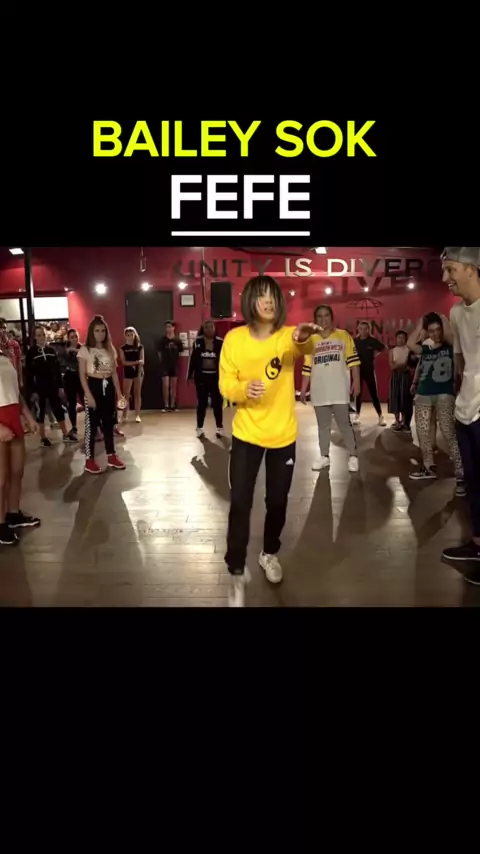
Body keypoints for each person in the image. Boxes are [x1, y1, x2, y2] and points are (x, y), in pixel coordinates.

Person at [219, 275, 321, 607]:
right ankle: (236, 571)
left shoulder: (286, 335)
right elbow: (225, 382)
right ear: (250, 300)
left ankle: (268, 553)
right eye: (262, 295)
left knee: (277, 502)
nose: (268, 301)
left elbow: (302, 346)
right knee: (240, 502)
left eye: (273, 296)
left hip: (282, 435)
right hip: (246, 433)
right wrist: (241, 390)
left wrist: (303, 337)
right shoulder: (234, 339)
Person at [440, 248, 480, 581]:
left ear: (471, 269)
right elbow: (463, 361)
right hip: (465, 409)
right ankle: (478, 543)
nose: (446, 278)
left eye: (451, 269)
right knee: (473, 480)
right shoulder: (455, 313)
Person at [407, 313, 465, 495]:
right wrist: (420, 325)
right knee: (423, 433)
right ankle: (428, 467)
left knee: (448, 432)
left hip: (444, 394)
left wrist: (443, 319)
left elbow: (452, 336)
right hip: (423, 394)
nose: (435, 334)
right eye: (431, 331)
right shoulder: (426, 348)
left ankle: (461, 473)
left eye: (438, 329)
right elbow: (410, 344)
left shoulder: (451, 347)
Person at [300, 306, 361, 473]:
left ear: (331, 317)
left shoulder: (343, 336)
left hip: (339, 389)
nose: (323, 319)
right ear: (315, 320)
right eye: (319, 316)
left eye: (326, 315)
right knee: (323, 425)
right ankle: (324, 456)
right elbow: (307, 366)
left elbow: (353, 361)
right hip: (319, 389)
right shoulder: (311, 340)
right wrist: (303, 388)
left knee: (344, 424)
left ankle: (353, 456)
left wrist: (356, 381)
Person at [0, 343, 40, 545]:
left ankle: (13, 514)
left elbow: (16, 393)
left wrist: (28, 416)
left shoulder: (5, 358)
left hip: (12, 417)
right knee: (1, 478)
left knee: (17, 472)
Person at [78, 315, 126, 474]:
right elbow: (82, 375)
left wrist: (119, 394)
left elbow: (114, 374)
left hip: (108, 387)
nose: (100, 334)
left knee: (108, 424)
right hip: (93, 386)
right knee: (91, 426)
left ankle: (111, 455)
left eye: (103, 331)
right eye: (97, 331)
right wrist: (88, 395)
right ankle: (89, 460)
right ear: (92, 332)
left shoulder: (110, 349)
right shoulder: (85, 350)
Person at [25, 326, 75, 447]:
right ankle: (43, 438)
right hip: (39, 387)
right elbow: (28, 373)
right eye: (39, 335)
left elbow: (57, 370)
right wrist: (33, 391)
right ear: (35, 337)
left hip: (53, 386)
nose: (42, 337)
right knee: (40, 412)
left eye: (43, 334)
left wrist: (60, 386)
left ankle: (65, 433)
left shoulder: (51, 350)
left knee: (58, 409)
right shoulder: (31, 353)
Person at [188, 320, 224, 438]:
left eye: (211, 327)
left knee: (217, 403)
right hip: (201, 377)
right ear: (203, 329)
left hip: (216, 378)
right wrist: (190, 375)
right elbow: (192, 360)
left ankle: (219, 427)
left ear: (215, 328)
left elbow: (226, 360)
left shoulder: (220, 342)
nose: (209, 329)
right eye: (206, 327)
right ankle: (199, 427)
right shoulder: (197, 342)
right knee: (201, 403)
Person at [353, 321, 386, 426]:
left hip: (369, 370)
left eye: (365, 329)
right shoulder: (355, 341)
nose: (363, 331)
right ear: (358, 329)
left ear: (369, 329)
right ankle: (357, 416)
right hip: (358, 370)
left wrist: (374, 355)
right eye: (361, 328)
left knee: (374, 394)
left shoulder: (372, 341)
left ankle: (380, 416)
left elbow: (384, 348)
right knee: (358, 394)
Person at [388, 331, 416, 433]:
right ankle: (397, 421)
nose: (401, 340)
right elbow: (392, 366)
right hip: (396, 377)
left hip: (406, 377)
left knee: (405, 399)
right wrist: (402, 364)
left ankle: (404, 422)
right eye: (399, 337)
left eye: (403, 338)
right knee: (395, 397)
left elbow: (411, 365)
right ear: (396, 339)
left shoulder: (409, 351)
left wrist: (400, 365)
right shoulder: (392, 351)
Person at [119, 327, 144, 423]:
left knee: (137, 393)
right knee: (126, 394)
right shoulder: (122, 348)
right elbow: (124, 362)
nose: (130, 337)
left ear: (134, 335)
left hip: (138, 372)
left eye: (131, 335)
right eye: (128, 335)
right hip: (128, 372)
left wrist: (137, 364)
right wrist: (136, 362)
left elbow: (142, 361)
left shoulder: (140, 347)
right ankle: (124, 415)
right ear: (125, 336)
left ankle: (137, 415)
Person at [157, 321, 184, 412]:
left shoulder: (177, 341)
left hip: (174, 365)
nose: (168, 329)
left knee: (173, 386)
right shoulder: (162, 340)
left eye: (170, 327)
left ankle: (172, 405)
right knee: (165, 385)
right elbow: (159, 352)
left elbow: (181, 351)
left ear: (173, 328)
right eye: (167, 327)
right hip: (165, 365)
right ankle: (166, 405)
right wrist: (162, 361)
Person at [63, 328, 83, 440]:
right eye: (72, 337)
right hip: (69, 378)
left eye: (76, 336)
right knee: (71, 403)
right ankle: (74, 427)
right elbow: (63, 363)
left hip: (81, 378)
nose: (74, 339)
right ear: (68, 338)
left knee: (86, 401)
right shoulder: (65, 349)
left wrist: (75, 350)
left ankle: (94, 426)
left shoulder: (82, 348)